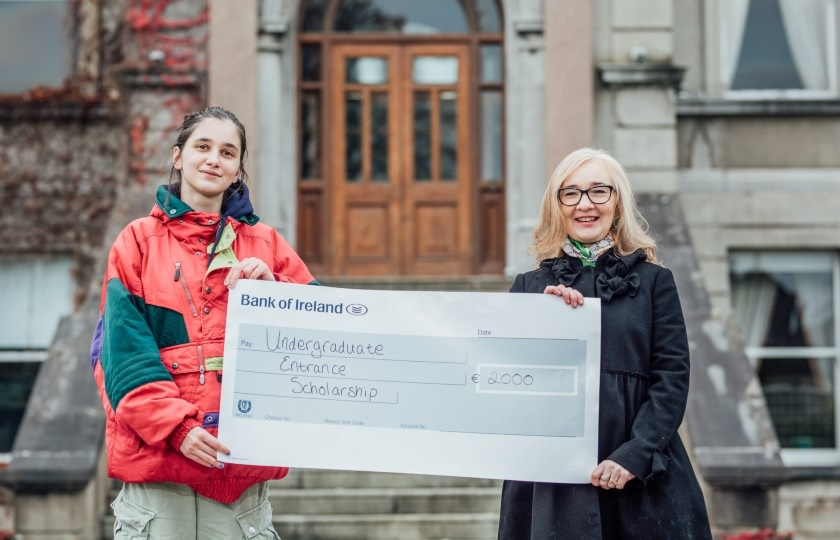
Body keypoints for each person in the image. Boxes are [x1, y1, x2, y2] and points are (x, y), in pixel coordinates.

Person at [89, 106, 316, 539]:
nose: (214, 159)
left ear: (237, 171)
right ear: (178, 157)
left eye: (228, 152)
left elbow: (322, 336)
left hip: (242, 492)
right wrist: (176, 428)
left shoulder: (268, 245)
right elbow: (121, 356)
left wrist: (277, 291)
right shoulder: (136, 242)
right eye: (203, 147)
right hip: (156, 491)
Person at [497, 148, 712, 539]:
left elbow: (671, 378)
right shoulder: (529, 288)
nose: (585, 204)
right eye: (572, 193)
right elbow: (509, 384)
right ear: (556, 205)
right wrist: (542, 323)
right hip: (552, 483)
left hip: (643, 476)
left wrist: (636, 453)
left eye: (599, 191)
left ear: (618, 201)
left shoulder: (654, 282)